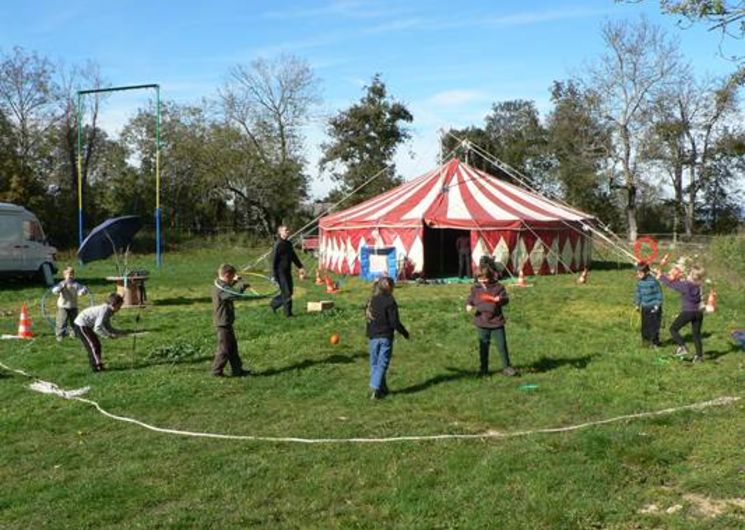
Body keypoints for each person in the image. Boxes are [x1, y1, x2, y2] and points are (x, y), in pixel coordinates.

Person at [466, 263, 518, 376]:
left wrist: (500, 299)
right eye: (480, 279)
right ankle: (483, 369)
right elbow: (471, 298)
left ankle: (507, 367)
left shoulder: (498, 287)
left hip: (496, 322)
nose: (482, 281)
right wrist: (469, 304)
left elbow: (505, 299)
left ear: (489, 277)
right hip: (481, 321)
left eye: (484, 279)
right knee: (483, 346)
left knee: (502, 345)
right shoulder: (476, 288)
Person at [365, 276, 409, 399]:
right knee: (382, 363)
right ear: (390, 288)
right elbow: (394, 322)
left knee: (374, 363)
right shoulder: (390, 301)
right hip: (385, 336)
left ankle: (382, 389)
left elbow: (368, 318)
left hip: (373, 336)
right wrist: (404, 333)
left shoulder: (371, 300)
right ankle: (375, 387)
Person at [658, 264, 706, 362]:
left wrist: (661, 277)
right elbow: (679, 282)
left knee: (673, 329)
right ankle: (699, 356)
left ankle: (682, 347)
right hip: (698, 313)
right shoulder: (699, 285)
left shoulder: (686, 285)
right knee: (696, 335)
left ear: (691, 275)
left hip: (688, 312)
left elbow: (671, 284)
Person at [212, 263, 251, 377]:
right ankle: (216, 371)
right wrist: (242, 287)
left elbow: (228, 288)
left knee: (233, 347)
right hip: (223, 322)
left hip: (226, 321)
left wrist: (234, 281)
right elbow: (233, 295)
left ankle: (237, 370)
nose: (233, 278)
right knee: (224, 349)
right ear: (227, 275)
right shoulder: (221, 288)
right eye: (232, 276)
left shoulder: (220, 284)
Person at [73, 293, 125, 372]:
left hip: (87, 326)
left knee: (96, 344)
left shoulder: (109, 311)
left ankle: (98, 364)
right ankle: (97, 367)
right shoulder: (104, 310)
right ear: (114, 304)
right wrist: (108, 336)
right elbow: (97, 328)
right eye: (119, 306)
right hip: (81, 324)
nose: (120, 308)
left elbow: (107, 326)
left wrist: (119, 332)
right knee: (93, 345)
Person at [270, 225, 305, 317]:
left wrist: (300, 266)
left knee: (290, 292)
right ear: (280, 232)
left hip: (287, 271)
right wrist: (273, 275)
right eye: (286, 230)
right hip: (280, 272)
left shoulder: (289, 244)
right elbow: (273, 260)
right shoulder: (278, 244)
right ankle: (288, 314)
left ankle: (274, 304)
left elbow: (293, 256)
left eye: (288, 230)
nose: (288, 231)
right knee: (287, 293)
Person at [51, 266, 89, 342]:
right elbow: (54, 290)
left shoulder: (76, 284)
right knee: (61, 321)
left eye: (72, 273)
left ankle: (74, 334)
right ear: (64, 275)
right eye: (69, 274)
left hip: (73, 306)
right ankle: (60, 335)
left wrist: (83, 291)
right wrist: (58, 289)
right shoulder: (62, 284)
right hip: (63, 306)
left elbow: (82, 290)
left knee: (75, 321)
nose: (71, 275)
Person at [633, 262, 663, 347]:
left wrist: (657, 304)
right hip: (645, 307)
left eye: (640, 273)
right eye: (637, 273)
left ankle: (654, 342)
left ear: (647, 272)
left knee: (654, 325)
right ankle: (645, 341)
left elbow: (659, 294)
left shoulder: (653, 282)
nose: (638, 275)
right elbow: (638, 294)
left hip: (654, 307)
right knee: (645, 325)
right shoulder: (639, 283)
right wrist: (637, 304)